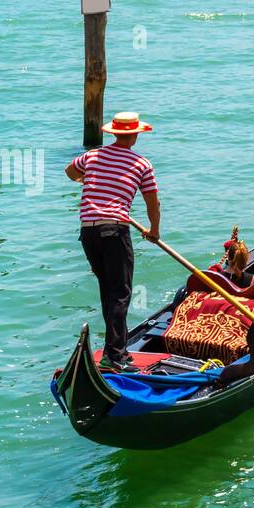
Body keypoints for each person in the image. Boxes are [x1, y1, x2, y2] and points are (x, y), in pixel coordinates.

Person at [65, 111, 160, 372]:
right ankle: (115, 357)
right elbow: (153, 202)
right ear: (136, 135)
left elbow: (69, 171)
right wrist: (154, 230)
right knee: (120, 294)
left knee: (109, 292)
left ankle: (117, 351)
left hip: (88, 233)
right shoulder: (141, 164)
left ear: (114, 133)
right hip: (114, 230)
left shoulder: (92, 156)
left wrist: (86, 180)